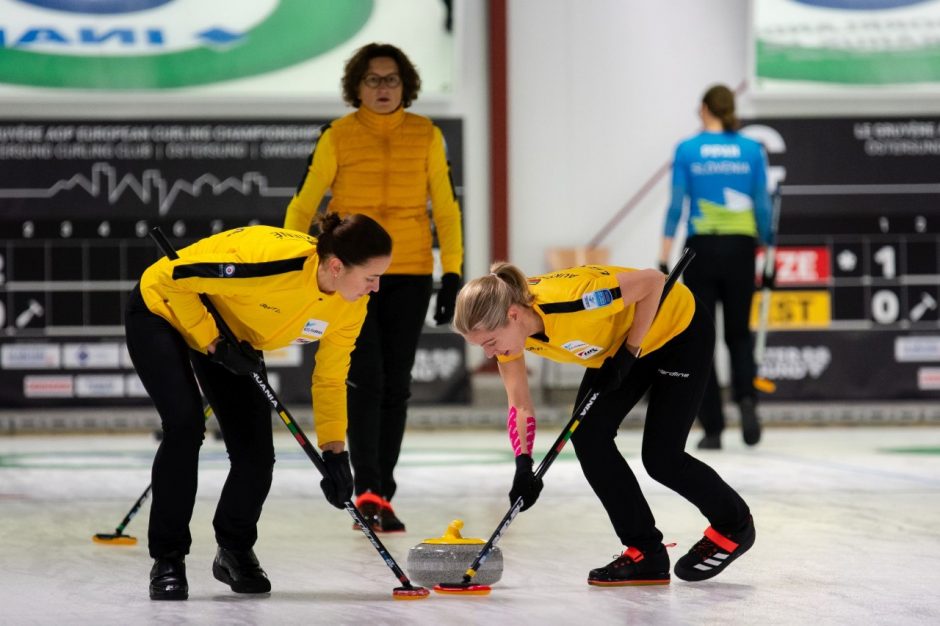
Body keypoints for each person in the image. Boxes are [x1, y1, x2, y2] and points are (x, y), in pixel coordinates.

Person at [125, 214, 392, 600]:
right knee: (184, 426)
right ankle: (168, 557)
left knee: (256, 455)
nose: (377, 287)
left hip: (232, 333)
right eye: (371, 277)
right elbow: (173, 278)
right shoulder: (270, 263)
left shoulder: (352, 306)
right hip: (162, 308)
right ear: (336, 266)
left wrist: (335, 450)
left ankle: (233, 548)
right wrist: (213, 344)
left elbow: (330, 378)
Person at [453, 262, 755, 586]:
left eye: (489, 343)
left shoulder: (575, 301)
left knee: (662, 459)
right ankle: (646, 551)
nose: (488, 354)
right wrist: (523, 465)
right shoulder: (510, 333)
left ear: (513, 315)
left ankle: (733, 524)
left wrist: (630, 352)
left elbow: (654, 282)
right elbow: (520, 403)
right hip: (623, 343)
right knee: (588, 435)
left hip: (676, 332)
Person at [284, 42, 463, 533]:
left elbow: (445, 208)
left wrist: (451, 272)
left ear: (405, 85)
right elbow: (303, 205)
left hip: (407, 269)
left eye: (391, 79)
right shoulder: (337, 136)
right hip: (349, 273)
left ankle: (382, 491)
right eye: (373, 79)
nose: (383, 88)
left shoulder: (426, 134)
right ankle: (367, 491)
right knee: (365, 379)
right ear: (356, 86)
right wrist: (297, 262)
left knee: (396, 385)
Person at [659, 84, 772, 450]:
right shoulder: (752, 150)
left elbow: (677, 206)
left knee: (701, 338)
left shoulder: (688, 150)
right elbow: (762, 207)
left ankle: (712, 427)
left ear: (706, 108)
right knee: (739, 334)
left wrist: (663, 257)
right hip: (741, 248)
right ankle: (748, 404)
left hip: (701, 249)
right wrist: (767, 249)